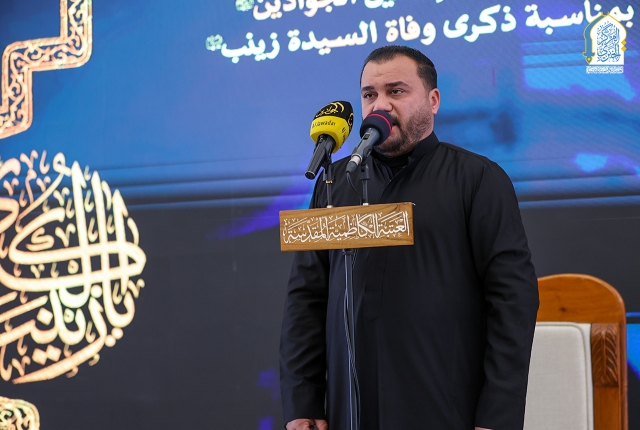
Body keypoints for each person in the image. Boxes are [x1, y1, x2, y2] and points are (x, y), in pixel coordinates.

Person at [280, 45, 539, 430]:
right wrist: (303, 401)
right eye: (369, 94)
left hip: (443, 407)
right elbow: (307, 297)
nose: (380, 105)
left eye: (396, 91)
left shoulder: (477, 179)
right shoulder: (335, 184)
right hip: (349, 410)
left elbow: (512, 300)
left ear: (433, 101)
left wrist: (497, 415)